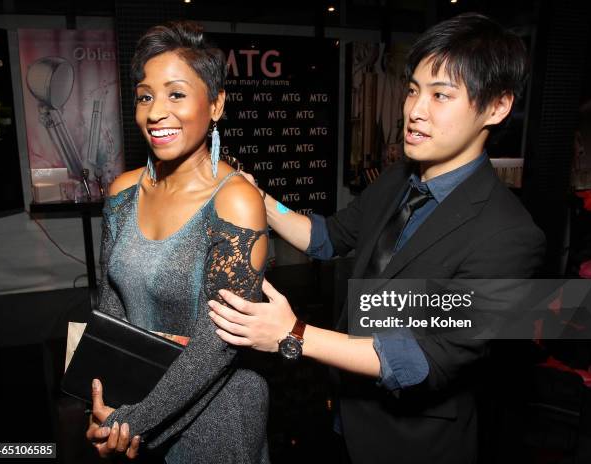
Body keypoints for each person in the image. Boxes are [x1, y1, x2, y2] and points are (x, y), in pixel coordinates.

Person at [208, 13, 546, 464]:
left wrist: (293, 334)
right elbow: (326, 237)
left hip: (411, 444)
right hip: (345, 414)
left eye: (441, 95)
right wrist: (257, 197)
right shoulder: (398, 179)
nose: (414, 111)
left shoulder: (510, 236)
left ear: (497, 107)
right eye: (413, 90)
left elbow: (422, 359)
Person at [85, 21, 269, 463]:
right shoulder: (122, 193)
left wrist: (131, 420)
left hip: (216, 414)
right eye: (146, 96)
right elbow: (110, 302)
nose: (155, 112)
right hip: (135, 404)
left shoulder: (236, 202)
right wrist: (103, 398)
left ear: (217, 104)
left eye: (176, 94)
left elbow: (218, 344)